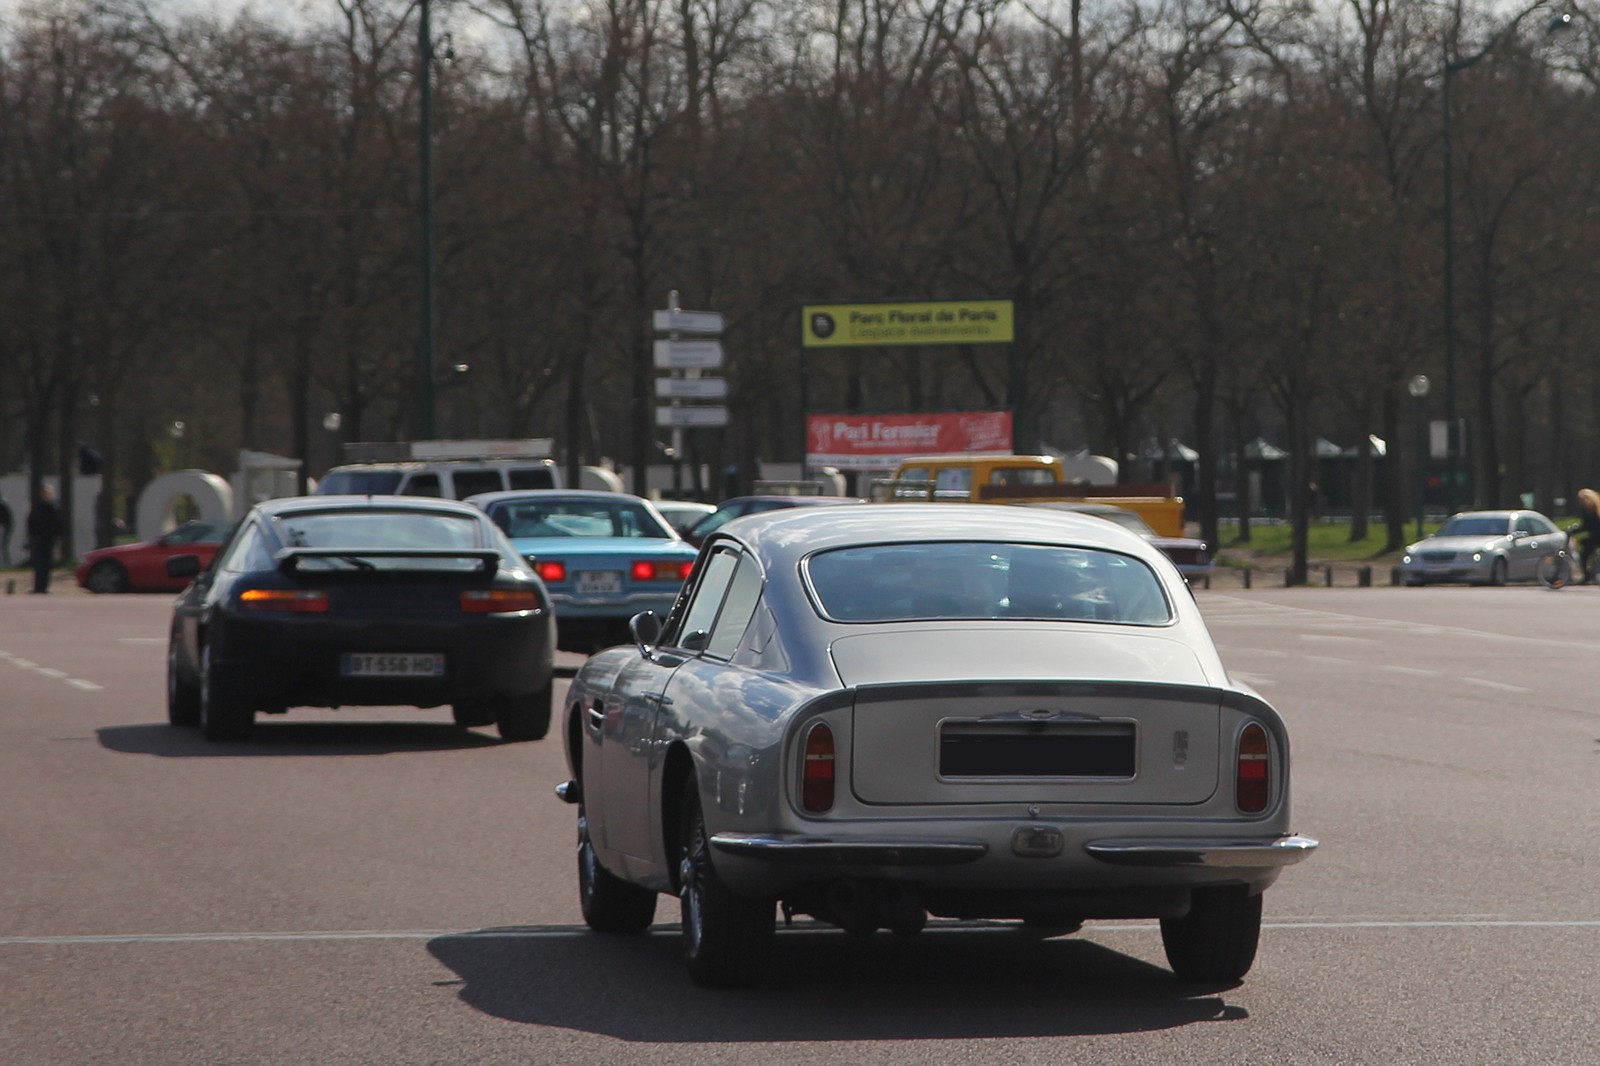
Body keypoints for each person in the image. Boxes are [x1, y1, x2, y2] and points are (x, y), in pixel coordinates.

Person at [25, 485, 62, 594]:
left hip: (49, 539)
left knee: (47, 564)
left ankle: (44, 587)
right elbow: (31, 522)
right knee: (39, 564)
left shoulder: (53, 508)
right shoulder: (38, 507)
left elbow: (58, 523)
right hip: (39, 538)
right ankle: (38, 587)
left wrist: (57, 534)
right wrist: (32, 535)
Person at [1575, 488, 1600, 583]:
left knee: (1583, 554)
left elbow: (1587, 525)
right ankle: (1590, 572)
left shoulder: (1589, 510)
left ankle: (1587, 576)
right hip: (1596, 535)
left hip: (1597, 536)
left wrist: (1576, 530)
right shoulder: (1595, 508)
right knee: (1586, 548)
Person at [0, 493, 12, 566]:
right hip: (5, 526)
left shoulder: (2, 505)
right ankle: (5, 562)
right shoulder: (3, 505)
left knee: (3, 546)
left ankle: (5, 562)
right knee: (4, 546)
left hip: (4, 526)